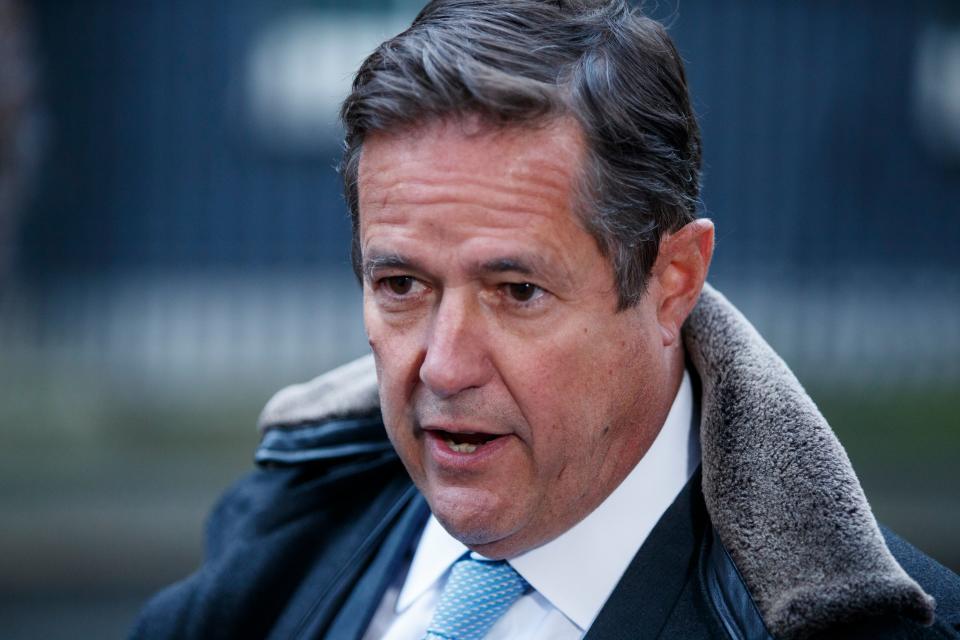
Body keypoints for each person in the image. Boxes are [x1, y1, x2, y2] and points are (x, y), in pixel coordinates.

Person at [131, 1, 960, 638]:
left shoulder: (865, 622)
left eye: (516, 291)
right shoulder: (278, 534)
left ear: (673, 281)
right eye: (402, 285)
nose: (445, 368)